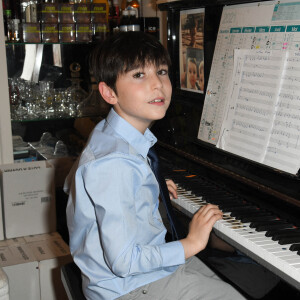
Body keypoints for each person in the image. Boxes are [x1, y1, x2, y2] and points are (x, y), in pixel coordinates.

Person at [64, 31, 245, 300]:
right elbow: (124, 262)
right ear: (109, 92)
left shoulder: (110, 134)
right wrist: (191, 243)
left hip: (136, 276)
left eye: (161, 71)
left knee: (237, 281)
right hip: (129, 287)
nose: (157, 85)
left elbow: (73, 185)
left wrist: (142, 190)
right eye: (139, 75)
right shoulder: (114, 164)